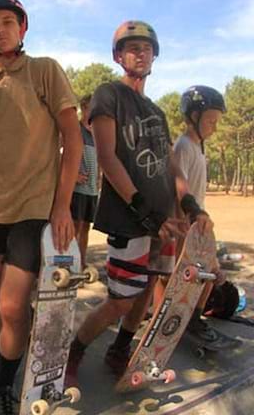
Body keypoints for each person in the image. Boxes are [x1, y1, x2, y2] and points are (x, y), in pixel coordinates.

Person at [65, 21, 213, 389]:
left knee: (146, 293)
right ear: (118, 56)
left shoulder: (157, 113)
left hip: (163, 220)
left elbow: (172, 166)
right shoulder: (108, 94)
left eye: (146, 48)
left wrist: (191, 205)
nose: (139, 53)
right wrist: (142, 209)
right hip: (130, 218)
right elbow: (107, 156)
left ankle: (120, 350)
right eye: (131, 47)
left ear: (154, 55)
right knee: (119, 300)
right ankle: (75, 350)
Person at [0, 0, 82, 415]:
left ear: (23, 27)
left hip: (36, 204)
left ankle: (7, 378)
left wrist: (63, 204)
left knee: (15, 304)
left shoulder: (45, 70)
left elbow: (72, 136)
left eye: (7, 22)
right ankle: (5, 366)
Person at [176, 85, 227, 338]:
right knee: (179, 277)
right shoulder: (184, 146)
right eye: (210, 121)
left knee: (210, 275)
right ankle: (174, 319)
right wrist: (189, 218)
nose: (214, 127)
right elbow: (179, 187)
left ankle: (193, 318)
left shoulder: (198, 148)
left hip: (201, 224)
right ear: (194, 117)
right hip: (186, 224)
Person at [70, 94, 99, 267]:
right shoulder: (76, 129)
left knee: (86, 227)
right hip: (77, 189)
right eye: (90, 108)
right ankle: (70, 262)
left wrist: (100, 177)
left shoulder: (96, 132)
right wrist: (73, 176)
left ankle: (81, 262)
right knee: (75, 227)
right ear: (83, 108)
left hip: (92, 189)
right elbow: (58, 154)